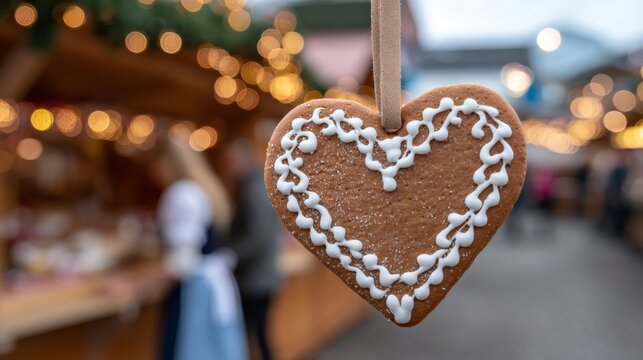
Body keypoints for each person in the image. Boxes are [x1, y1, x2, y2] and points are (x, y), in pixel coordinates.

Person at [153, 138, 247, 360]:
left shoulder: (181, 193)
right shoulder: (201, 188)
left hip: (194, 292)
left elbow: (181, 262)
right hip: (211, 284)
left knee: (191, 350)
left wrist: (136, 284)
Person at [223, 139, 282, 360]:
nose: (228, 168)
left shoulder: (253, 191)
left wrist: (229, 255)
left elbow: (257, 238)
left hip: (255, 279)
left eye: (231, 162)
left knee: (255, 335)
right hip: (262, 276)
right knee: (259, 334)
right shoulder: (257, 186)